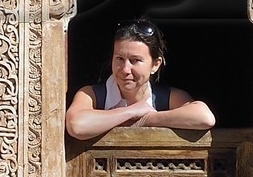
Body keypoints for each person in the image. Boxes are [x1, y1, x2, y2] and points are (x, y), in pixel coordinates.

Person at [65, 18, 216, 139]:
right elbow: (76, 125)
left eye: (135, 60)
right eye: (119, 58)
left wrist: (146, 119)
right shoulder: (92, 95)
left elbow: (204, 118)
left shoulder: (167, 98)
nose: (125, 69)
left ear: (155, 65)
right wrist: (132, 111)